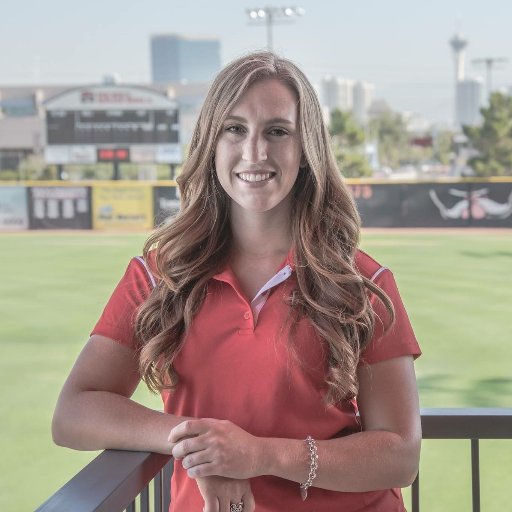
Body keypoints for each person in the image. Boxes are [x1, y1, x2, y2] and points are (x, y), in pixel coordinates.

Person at [52, 51, 422, 512]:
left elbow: (401, 456)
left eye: (277, 131)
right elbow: (73, 413)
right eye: (235, 129)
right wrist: (203, 445)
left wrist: (258, 455)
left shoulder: (363, 282)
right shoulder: (158, 275)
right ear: (211, 142)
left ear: (306, 149)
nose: (255, 152)